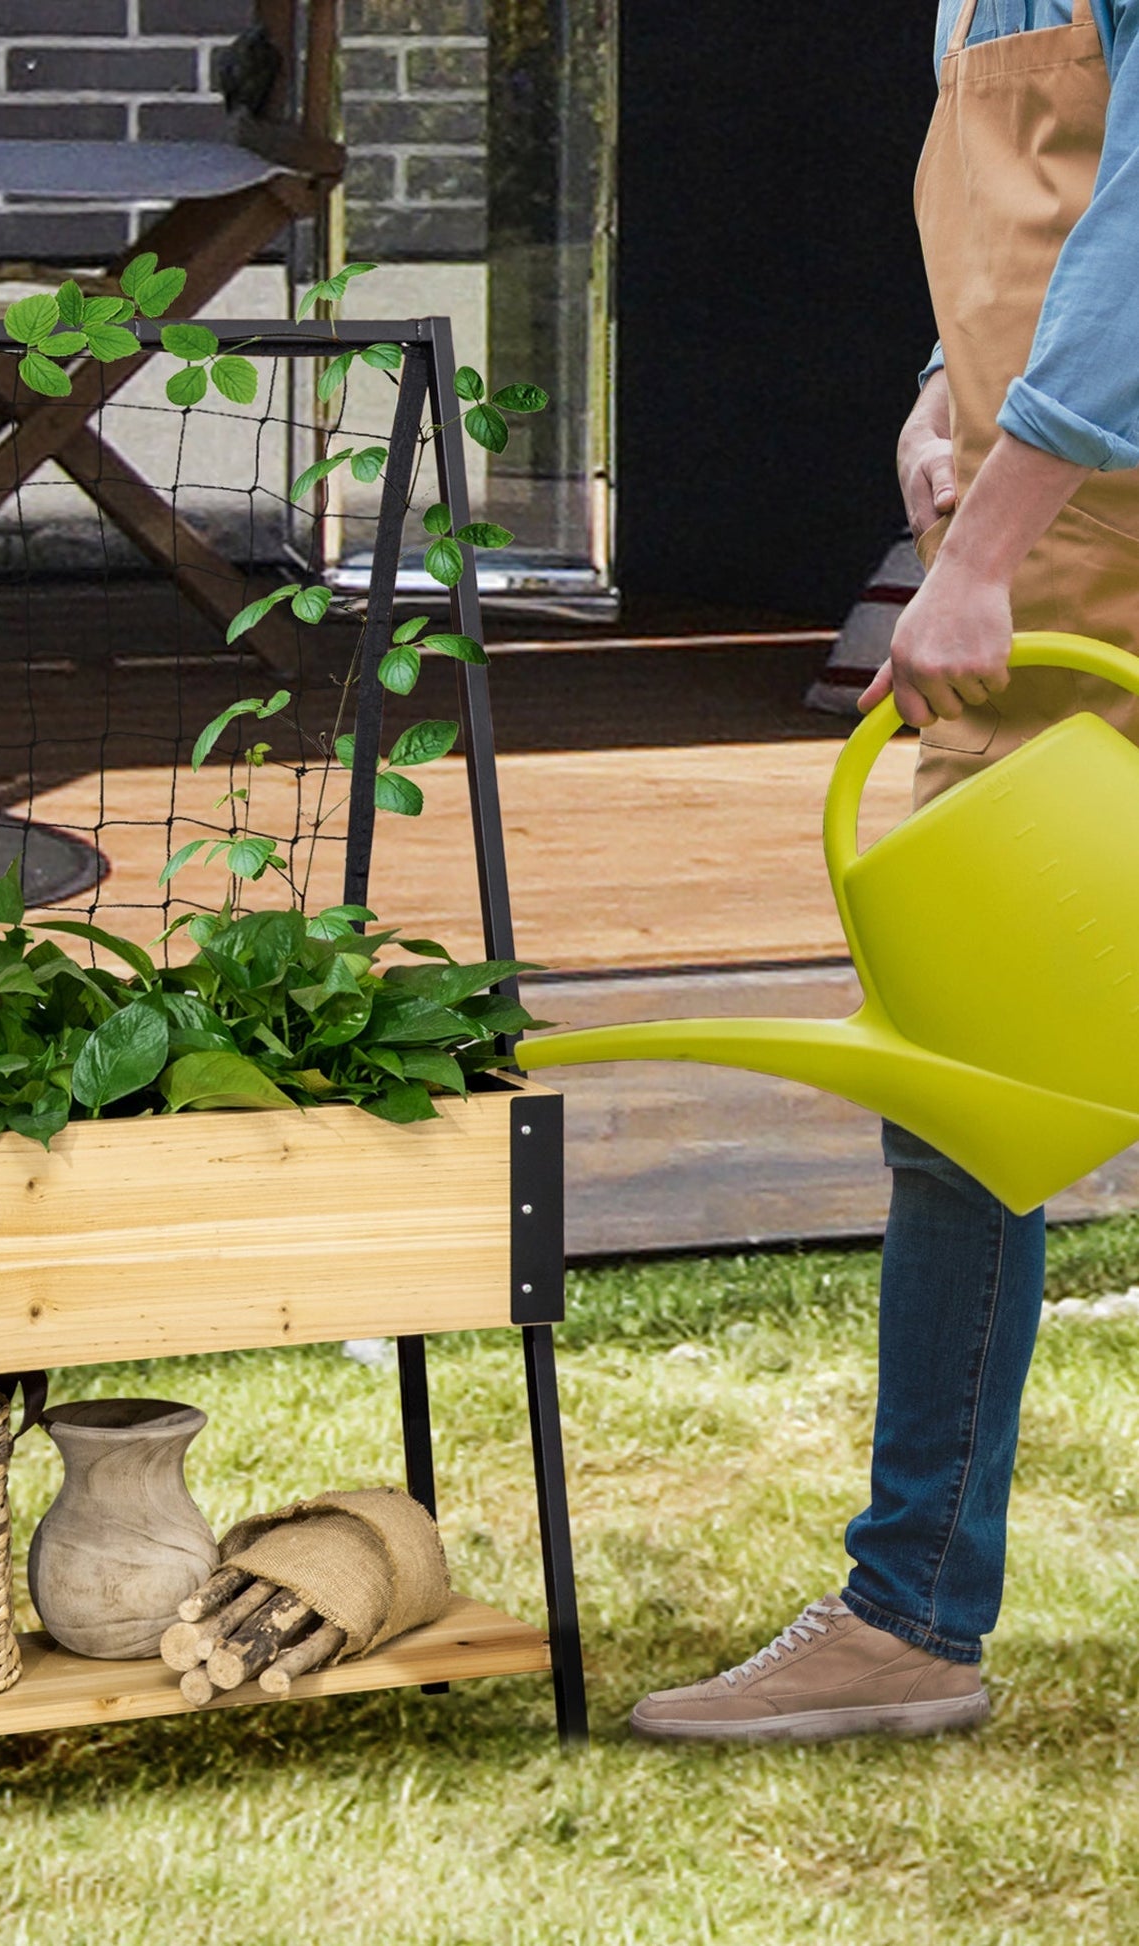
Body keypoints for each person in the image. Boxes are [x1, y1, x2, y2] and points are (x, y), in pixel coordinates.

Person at [631, 0, 1139, 1744]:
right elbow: (1038, 230)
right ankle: (913, 1608)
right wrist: (936, 396)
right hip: (1040, 545)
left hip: (1083, 559)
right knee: (959, 1082)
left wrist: (987, 542)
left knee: (973, 1075)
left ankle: (913, 1602)